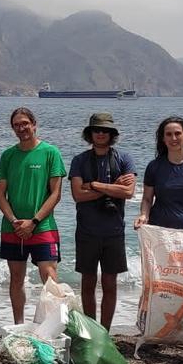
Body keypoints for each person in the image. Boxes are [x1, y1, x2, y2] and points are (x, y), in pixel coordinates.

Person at [0, 107, 66, 324]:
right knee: (16, 278)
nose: (22, 128)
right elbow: (0, 194)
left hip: (43, 226)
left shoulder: (50, 152)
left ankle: (53, 325)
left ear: (34, 124)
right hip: (13, 228)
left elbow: (56, 193)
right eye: (17, 124)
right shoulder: (8, 155)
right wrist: (14, 221)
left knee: (49, 277)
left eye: (25, 123)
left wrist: (33, 221)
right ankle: (19, 325)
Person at [68, 113, 136, 330]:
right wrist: (111, 188)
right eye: (97, 130)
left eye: (105, 130)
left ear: (111, 134)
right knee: (87, 283)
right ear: (90, 133)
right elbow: (77, 195)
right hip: (87, 231)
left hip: (114, 231)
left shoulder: (124, 159)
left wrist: (95, 185)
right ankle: (90, 329)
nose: (100, 133)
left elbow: (128, 191)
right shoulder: (79, 160)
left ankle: (105, 332)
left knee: (110, 284)